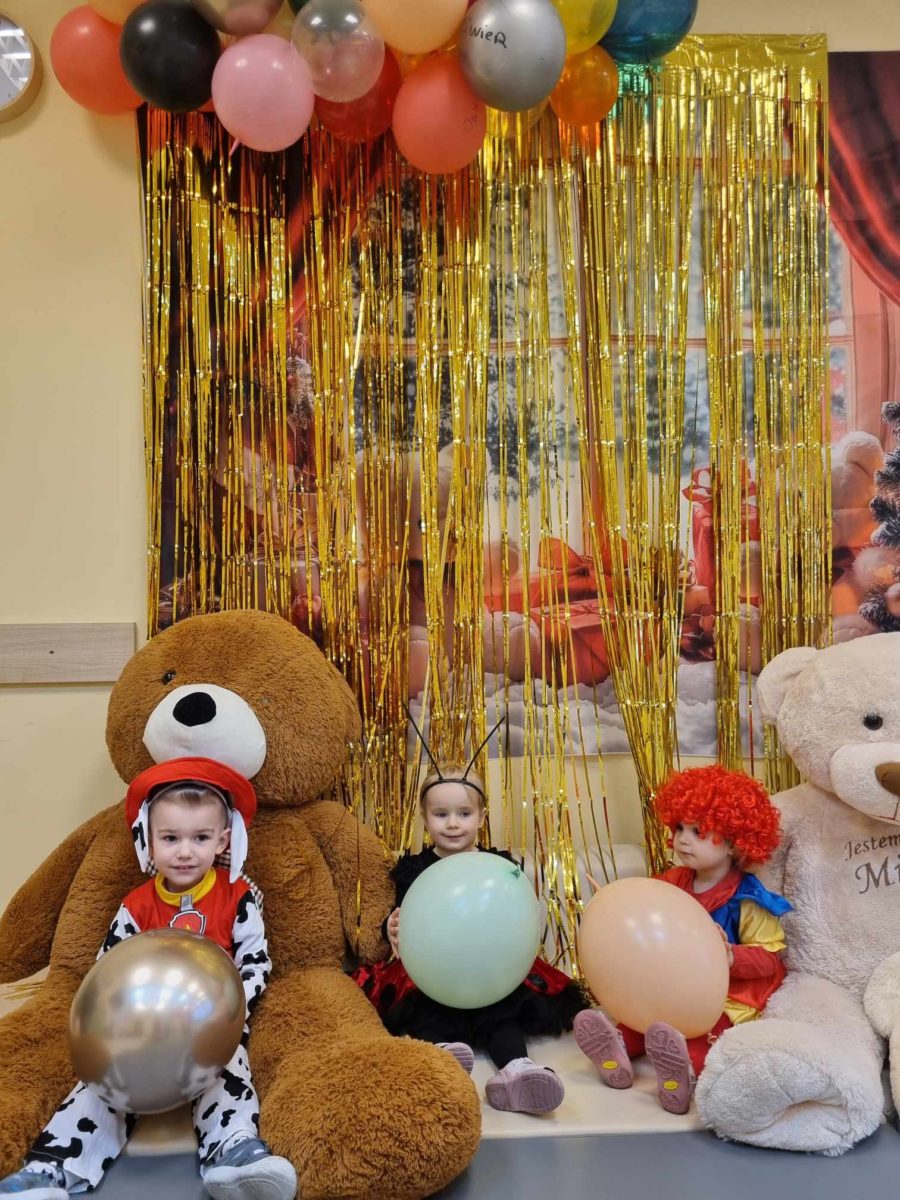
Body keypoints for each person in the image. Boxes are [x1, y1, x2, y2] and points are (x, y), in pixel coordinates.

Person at [0, 757, 296, 1200]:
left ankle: (234, 1152)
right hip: (139, 1038)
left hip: (211, 1032)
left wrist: (230, 1014)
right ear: (149, 841)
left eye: (200, 838)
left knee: (231, 1070)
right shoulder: (135, 906)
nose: (185, 851)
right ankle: (52, 1168)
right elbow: (108, 971)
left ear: (222, 840)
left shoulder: (237, 897)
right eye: (171, 838)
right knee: (96, 1085)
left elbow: (255, 963)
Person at [354, 763, 588, 1116]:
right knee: (426, 1010)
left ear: (481, 817)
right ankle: (445, 1061)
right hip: (434, 970)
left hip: (489, 968)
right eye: (441, 814)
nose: (453, 823)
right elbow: (404, 912)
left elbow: (513, 912)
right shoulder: (415, 869)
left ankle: (517, 1070)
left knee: (502, 1011)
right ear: (424, 818)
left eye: (464, 813)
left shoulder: (497, 866)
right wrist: (391, 926)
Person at [574, 765, 791, 1115]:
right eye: (679, 828)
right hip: (671, 984)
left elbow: (770, 959)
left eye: (699, 832)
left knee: (706, 1030)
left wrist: (731, 957)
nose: (683, 840)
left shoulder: (748, 899)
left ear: (735, 841)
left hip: (722, 994)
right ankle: (616, 1049)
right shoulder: (671, 882)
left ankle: (682, 1071)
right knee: (643, 1016)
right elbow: (647, 917)